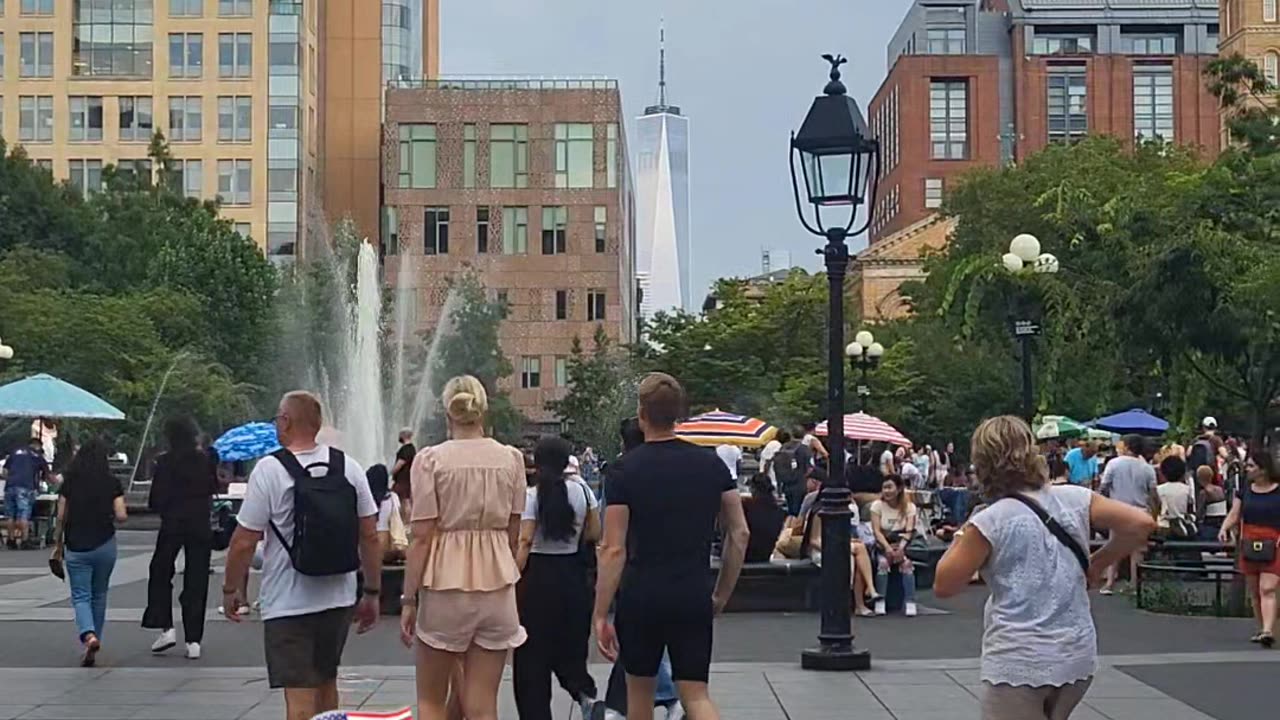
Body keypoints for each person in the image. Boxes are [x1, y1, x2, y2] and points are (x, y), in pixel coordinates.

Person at [934, 416, 1156, 720]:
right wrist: (1099, 562)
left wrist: (962, 534)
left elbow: (944, 584)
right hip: (1075, 653)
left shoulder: (990, 521)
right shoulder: (1074, 497)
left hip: (1020, 659)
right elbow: (1141, 523)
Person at [594, 373, 749, 720]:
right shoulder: (711, 465)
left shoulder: (623, 471)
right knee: (696, 694)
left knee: (640, 696)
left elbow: (613, 548)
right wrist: (721, 594)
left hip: (641, 594)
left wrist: (601, 612)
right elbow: (739, 534)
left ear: (641, 413)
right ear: (678, 413)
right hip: (692, 590)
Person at [223, 391, 381, 720]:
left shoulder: (269, 470)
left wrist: (231, 589)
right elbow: (369, 533)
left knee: (298, 699)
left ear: (286, 422)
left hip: (288, 603)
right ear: (318, 424)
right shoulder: (347, 466)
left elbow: (243, 541)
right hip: (338, 598)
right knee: (327, 684)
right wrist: (372, 592)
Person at [399, 375, 527, 720]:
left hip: (445, 584)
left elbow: (421, 537)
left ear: (447, 410)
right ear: (482, 409)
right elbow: (514, 532)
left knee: (431, 700)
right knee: (482, 703)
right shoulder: (511, 459)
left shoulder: (430, 460)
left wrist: (408, 599)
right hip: (497, 584)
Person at [514, 435, 605, 720]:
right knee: (571, 646)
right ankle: (585, 694)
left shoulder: (530, 496)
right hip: (573, 578)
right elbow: (594, 532)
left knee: (531, 659)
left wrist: (512, 577)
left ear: (537, 463)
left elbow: (525, 540)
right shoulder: (583, 491)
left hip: (537, 581)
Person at [601, 417, 681, 720]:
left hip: (632, 569)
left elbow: (610, 536)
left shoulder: (621, 472)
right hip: (674, 568)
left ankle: (666, 696)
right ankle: (622, 704)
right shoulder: (673, 469)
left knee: (637, 645)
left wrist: (599, 609)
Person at [143, 416, 219, 660]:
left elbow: (155, 499)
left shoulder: (164, 462)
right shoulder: (204, 461)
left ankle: (166, 626)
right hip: (199, 525)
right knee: (197, 578)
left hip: (173, 523)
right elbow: (212, 488)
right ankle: (194, 639)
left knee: (160, 571)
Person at [54, 437, 127, 666]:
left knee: (81, 596)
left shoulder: (71, 482)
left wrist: (57, 543)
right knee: (100, 595)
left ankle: (88, 635)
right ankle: (95, 641)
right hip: (105, 544)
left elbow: (60, 515)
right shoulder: (111, 482)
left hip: (77, 545)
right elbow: (122, 515)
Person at [1218, 449, 1280, 647]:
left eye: (1252, 465)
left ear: (1263, 469)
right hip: (1249, 541)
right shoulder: (1245, 489)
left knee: (1267, 587)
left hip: (1275, 540)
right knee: (1254, 590)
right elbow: (1235, 513)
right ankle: (1262, 628)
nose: (1248, 468)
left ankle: (1269, 629)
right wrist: (1225, 527)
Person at [802, 470, 879, 617]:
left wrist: (846, 543)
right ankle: (865, 595)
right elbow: (814, 540)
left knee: (858, 555)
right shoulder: (819, 511)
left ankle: (863, 598)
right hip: (821, 548)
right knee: (856, 553)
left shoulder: (846, 509)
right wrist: (839, 545)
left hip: (838, 545)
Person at [1098, 435, 1158, 595]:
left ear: (1127, 447)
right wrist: (1155, 513)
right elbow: (1153, 495)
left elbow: (1103, 487)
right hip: (1140, 512)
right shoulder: (1147, 468)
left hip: (1118, 510)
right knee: (1137, 551)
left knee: (1114, 546)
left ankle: (1109, 583)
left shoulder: (1114, 464)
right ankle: (1134, 585)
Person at [870, 476, 918, 616]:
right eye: (884, 487)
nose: (886, 491)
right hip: (883, 544)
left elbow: (909, 531)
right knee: (883, 563)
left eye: (890, 487)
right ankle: (881, 600)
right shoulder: (877, 506)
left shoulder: (910, 507)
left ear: (898, 489)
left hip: (903, 544)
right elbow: (876, 531)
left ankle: (910, 601)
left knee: (907, 565)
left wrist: (901, 549)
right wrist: (888, 548)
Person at [3, 436, 48, 549]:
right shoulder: (37, 456)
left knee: (10, 515)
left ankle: (10, 540)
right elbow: (47, 475)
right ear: (38, 446)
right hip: (25, 487)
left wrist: (11, 479)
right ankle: (24, 540)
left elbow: (4, 471)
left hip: (10, 486)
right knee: (23, 515)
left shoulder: (15, 453)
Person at [367, 464, 407, 563]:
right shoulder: (392, 498)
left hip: (367, 545)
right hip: (385, 546)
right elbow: (399, 520)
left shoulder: (364, 499)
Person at [742, 473, 786, 563]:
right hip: (765, 554)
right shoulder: (779, 511)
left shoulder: (747, 507)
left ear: (753, 489)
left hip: (745, 553)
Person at [1156, 456, 1195, 539]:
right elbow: (1190, 508)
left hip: (1164, 528)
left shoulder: (1159, 490)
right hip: (1183, 527)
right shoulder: (1187, 489)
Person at [774, 432, 810, 516]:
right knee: (800, 512)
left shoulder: (783, 448)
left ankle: (790, 526)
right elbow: (809, 468)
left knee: (791, 510)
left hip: (787, 485)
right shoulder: (804, 449)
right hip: (801, 484)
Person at [392, 428, 417, 507]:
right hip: (408, 478)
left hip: (402, 479)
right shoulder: (412, 448)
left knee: (404, 501)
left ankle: (406, 518)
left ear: (403, 435)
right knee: (406, 500)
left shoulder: (406, 449)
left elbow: (400, 463)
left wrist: (392, 472)